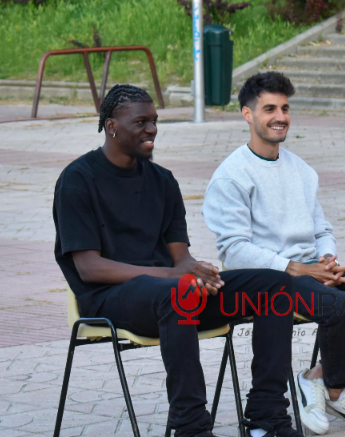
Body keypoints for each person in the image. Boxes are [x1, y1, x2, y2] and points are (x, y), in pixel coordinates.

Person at [52, 84, 302, 437]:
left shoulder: (163, 181)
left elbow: (180, 259)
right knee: (177, 293)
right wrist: (173, 276)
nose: (152, 129)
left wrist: (200, 273)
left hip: (173, 295)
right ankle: (191, 427)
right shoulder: (78, 180)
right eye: (141, 122)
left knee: (273, 285)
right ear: (111, 126)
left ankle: (267, 417)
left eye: (154, 121)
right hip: (108, 298)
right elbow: (90, 269)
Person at [202, 72, 345, 435]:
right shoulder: (231, 176)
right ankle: (339, 389)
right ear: (247, 114)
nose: (280, 116)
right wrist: (300, 269)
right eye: (269, 109)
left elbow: (321, 229)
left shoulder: (301, 170)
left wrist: (328, 260)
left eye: (285, 108)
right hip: (271, 280)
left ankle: (319, 379)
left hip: (313, 270)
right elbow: (234, 251)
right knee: (340, 307)